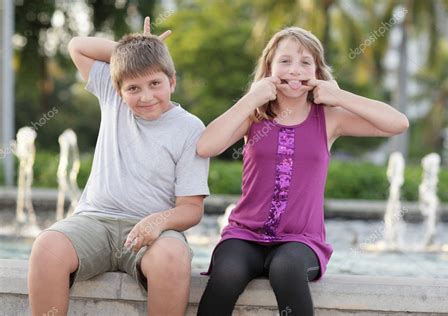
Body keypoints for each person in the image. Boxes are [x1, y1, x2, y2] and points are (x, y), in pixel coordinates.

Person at [196, 26, 409, 316]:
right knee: (227, 273)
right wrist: (251, 98)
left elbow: (398, 123)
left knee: (285, 269)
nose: (294, 70)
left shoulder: (330, 118)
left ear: (317, 72)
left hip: (301, 240)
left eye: (305, 62)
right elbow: (206, 146)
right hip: (244, 235)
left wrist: (339, 95)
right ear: (269, 67)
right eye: (285, 61)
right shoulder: (253, 115)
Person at [28, 18, 209, 316]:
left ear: (172, 81)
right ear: (118, 89)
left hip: (152, 230)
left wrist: (158, 222)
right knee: (47, 247)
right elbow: (77, 46)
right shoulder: (113, 99)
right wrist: (138, 53)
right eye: (133, 87)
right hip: (94, 221)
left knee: (173, 256)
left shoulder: (190, 128)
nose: (146, 96)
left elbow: (191, 208)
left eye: (155, 83)